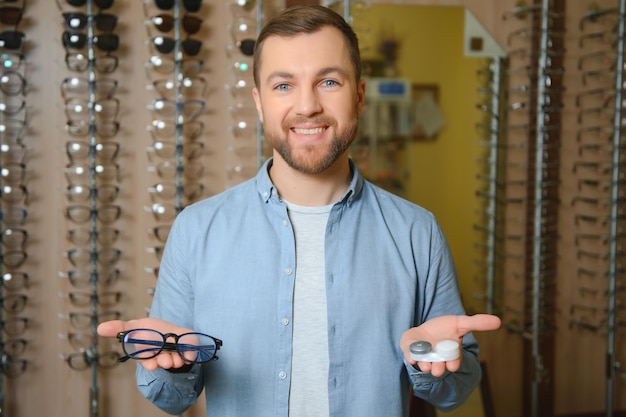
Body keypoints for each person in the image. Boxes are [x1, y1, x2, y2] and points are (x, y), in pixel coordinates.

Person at [97, 5, 501, 417]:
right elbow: (168, 397)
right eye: (283, 85)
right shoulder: (196, 230)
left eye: (328, 81)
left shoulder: (418, 232)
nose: (307, 106)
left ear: (358, 96)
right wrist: (170, 363)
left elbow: (455, 391)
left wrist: (433, 365)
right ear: (259, 103)